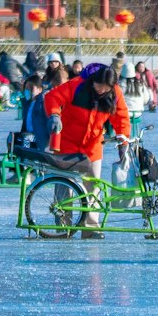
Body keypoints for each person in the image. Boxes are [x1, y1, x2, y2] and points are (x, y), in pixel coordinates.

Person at [42, 65, 131, 236]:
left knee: (93, 186)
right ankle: (63, 226)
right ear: (93, 81)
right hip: (66, 144)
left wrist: (123, 139)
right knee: (64, 186)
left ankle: (90, 227)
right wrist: (54, 115)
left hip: (93, 147)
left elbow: (121, 117)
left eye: (106, 87)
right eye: (99, 86)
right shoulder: (77, 85)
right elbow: (52, 97)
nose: (102, 90)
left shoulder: (115, 93)